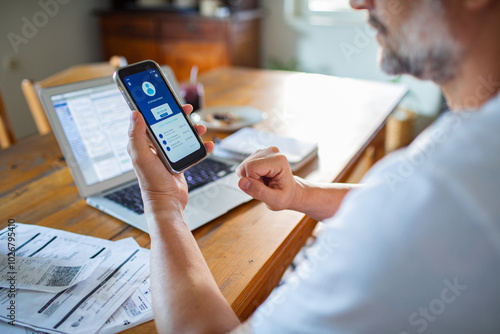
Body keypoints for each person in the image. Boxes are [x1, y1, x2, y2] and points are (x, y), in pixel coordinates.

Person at [127, 0, 500, 332]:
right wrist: (302, 193)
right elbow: (398, 204)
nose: (357, 2)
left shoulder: (441, 187)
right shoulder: (469, 151)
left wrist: (162, 203)